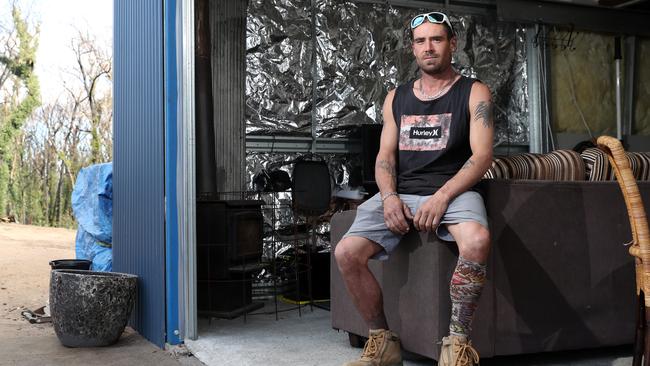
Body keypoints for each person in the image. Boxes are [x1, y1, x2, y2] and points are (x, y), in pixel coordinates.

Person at [334, 11, 493, 366]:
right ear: (413, 49)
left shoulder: (474, 91)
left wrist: (442, 196)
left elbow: (482, 157)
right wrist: (389, 197)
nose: (429, 47)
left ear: (452, 44)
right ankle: (383, 342)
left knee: (478, 241)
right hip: (403, 191)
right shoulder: (397, 97)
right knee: (346, 252)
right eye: (421, 41)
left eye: (436, 39)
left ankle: (456, 348)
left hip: (455, 190)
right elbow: (385, 156)